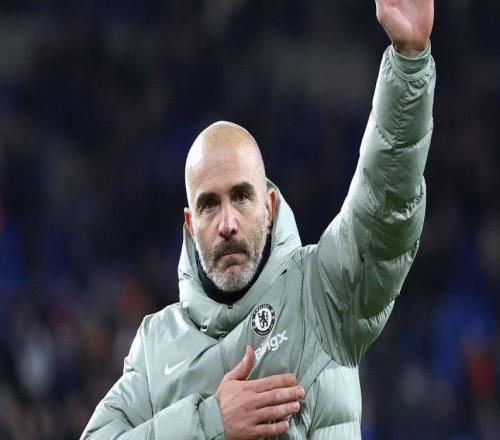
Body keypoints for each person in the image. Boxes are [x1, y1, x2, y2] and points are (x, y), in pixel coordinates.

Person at [81, 1, 435, 438]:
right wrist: (210, 423)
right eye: (209, 205)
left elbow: (383, 203)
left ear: (268, 207)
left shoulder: (321, 291)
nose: (227, 222)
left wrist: (409, 65)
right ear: (190, 224)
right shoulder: (156, 346)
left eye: (241, 197)